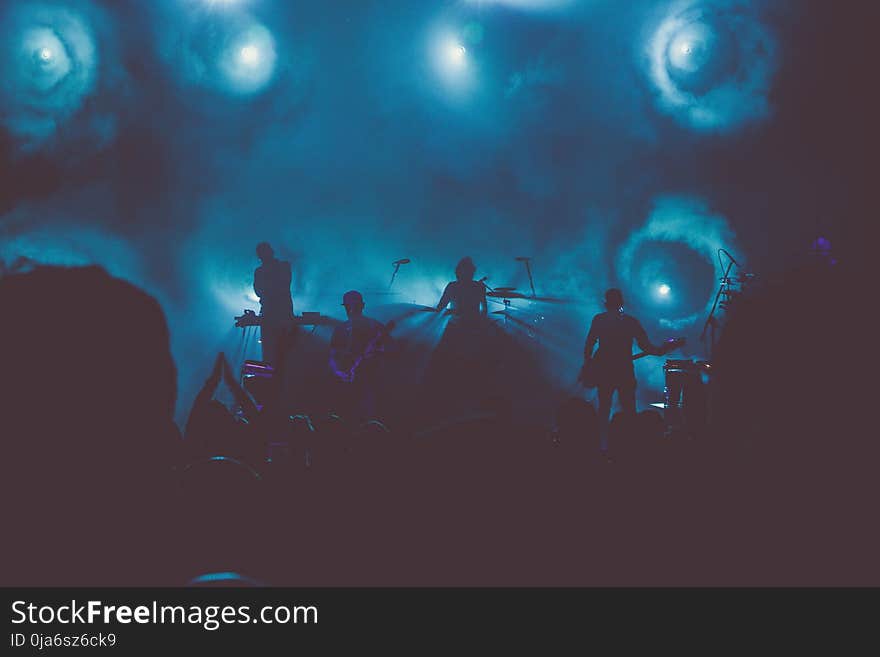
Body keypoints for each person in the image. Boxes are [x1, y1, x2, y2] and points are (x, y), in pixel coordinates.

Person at [582, 288, 663, 453]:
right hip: (624, 369)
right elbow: (646, 345)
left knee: (604, 407)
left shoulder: (600, 320)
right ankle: (631, 446)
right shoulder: (630, 322)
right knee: (629, 408)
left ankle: (600, 446)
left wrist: (589, 364)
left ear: (606, 303)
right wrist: (659, 350)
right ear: (621, 303)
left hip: (605, 369)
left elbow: (589, 344)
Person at [329, 291, 389, 423]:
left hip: (369, 382)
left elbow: (389, 351)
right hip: (346, 383)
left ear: (362, 306)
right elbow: (333, 355)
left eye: (354, 306)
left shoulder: (376, 327)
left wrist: (375, 352)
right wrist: (340, 372)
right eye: (347, 307)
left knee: (367, 417)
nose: (350, 310)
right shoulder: (341, 329)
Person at [253, 242, 293, 366]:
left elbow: (259, 291)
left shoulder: (282, 267)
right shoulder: (283, 267)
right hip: (278, 314)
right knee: (279, 353)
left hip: (275, 314)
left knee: (276, 353)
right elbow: (259, 291)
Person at [436, 256, 488, 320]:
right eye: (467, 271)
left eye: (470, 271)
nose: (469, 273)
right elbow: (440, 308)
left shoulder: (452, 286)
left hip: (469, 324)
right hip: (469, 325)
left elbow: (440, 308)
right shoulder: (479, 286)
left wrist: (454, 311)